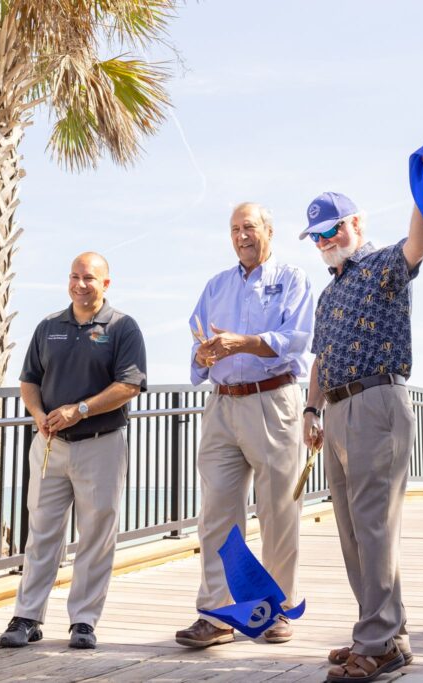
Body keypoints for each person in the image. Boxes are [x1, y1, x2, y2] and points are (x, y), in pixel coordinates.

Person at [300, 158, 423, 682]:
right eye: (314, 236)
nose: (323, 241)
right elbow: (318, 359)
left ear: (356, 224)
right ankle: (386, 635)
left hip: (377, 401)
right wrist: (312, 410)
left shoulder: (384, 264)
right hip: (335, 411)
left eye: (330, 229)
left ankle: (376, 642)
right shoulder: (328, 292)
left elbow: (419, 245)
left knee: (374, 526)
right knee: (355, 532)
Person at [175, 202, 314, 648]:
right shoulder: (215, 286)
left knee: (278, 511)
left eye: (249, 227)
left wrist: (246, 343)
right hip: (221, 408)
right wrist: (204, 357)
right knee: (216, 514)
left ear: (268, 231)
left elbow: (298, 340)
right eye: (234, 229)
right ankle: (218, 615)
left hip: (272, 402)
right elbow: (197, 345)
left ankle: (274, 610)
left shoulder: (292, 279)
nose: (241, 236)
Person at [0, 252, 147, 650]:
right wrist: (37, 414)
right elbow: (29, 380)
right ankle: (27, 616)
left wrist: (80, 410)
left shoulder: (122, 327)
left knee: (97, 535)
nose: (80, 284)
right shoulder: (50, 326)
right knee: (41, 532)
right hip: (50, 446)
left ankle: (83, 620)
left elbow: (129, 385)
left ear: (106, 284)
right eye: (74, 277)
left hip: (101, 445)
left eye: (90, 278)